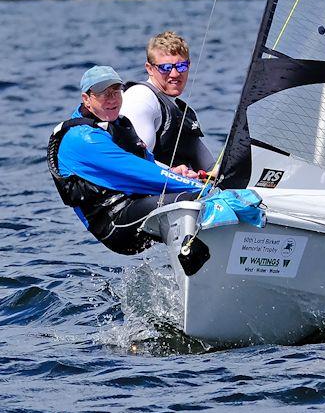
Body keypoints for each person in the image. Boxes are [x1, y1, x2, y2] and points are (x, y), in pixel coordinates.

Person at [48, 66, 208, 255]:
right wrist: (200, 188)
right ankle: (199, 261)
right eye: (104, 94)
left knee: (196, 195)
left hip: (135, 206)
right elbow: (140, 173)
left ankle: (202, 258)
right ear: (87, 99)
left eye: (116, 92)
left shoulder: (119, 124)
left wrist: (175, 173)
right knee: (193, 199)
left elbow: (146, 165)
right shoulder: (83, 138)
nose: (113, 100)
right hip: (114, 222)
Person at [120, 31, 214, 177]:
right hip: (147, 193)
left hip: (181, 190)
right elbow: (135, 162)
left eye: (181, 66)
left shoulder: (180, 110)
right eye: (165, 68)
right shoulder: (141, 98)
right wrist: (173, 173)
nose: (175, 74)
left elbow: (210, 167)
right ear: (149, 68)